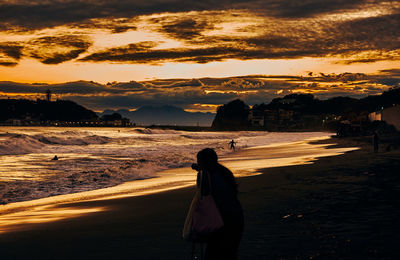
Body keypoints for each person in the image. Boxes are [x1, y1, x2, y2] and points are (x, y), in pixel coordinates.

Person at [193, 148, 244, 260]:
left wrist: (200, 175)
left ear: (205, 163)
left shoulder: (207, 176)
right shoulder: (223, 172)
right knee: (229, 254)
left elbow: (203, 195)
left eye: (199, 162)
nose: (198, 164)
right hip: (236, 217)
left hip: (223, 221)